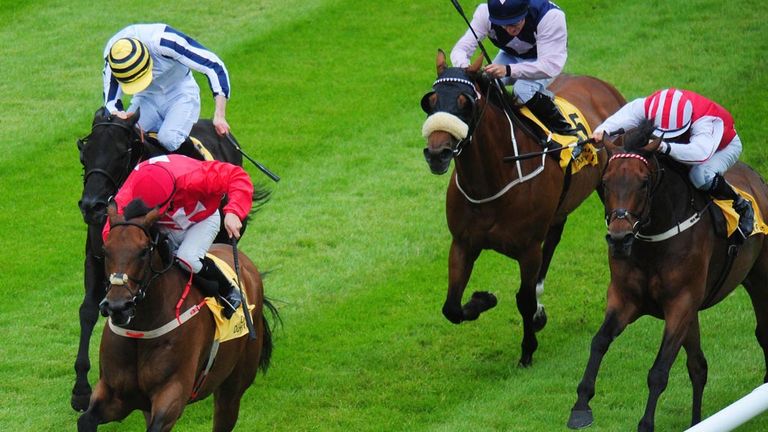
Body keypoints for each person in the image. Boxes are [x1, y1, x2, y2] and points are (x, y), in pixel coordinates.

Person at [102, 154, 254, 318]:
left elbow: (237, 176)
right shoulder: (132, 187)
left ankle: (229, 290)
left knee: (186, 258)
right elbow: (112, 231)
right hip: (164, 222)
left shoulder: (194, 176)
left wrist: (234, 212)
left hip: (201, 219)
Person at [593, 88, 755, 241]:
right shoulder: (648, 106)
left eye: (673, 135)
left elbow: (699, 154)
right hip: (687, 142)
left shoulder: (706, 121)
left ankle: (740, 204)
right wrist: (602, 130)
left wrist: (665, 146)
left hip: (721, 147)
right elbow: (623, 117)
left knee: (700, 176)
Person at [102, 23, 231, 157]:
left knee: (168, 139)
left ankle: (202, 163)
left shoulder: (164, 41)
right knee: (125, 137)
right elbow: (110, 102)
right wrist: (119, 114)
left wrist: (219, 115)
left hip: (180, 92)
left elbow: (214, 65)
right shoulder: (113, 58)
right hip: (146, 96)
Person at [450, 0, 576, 135]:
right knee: (485, 84)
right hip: (510, 55)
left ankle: (566, 130)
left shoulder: (550, 16)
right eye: (503, 25)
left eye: (515, 23)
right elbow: (460, 49)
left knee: (523, 90)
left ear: (526, 11)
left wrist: (508, 70)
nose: (510, 30)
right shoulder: (484, 13)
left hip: (544, 60)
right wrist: (466, 68)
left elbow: (550, 66)